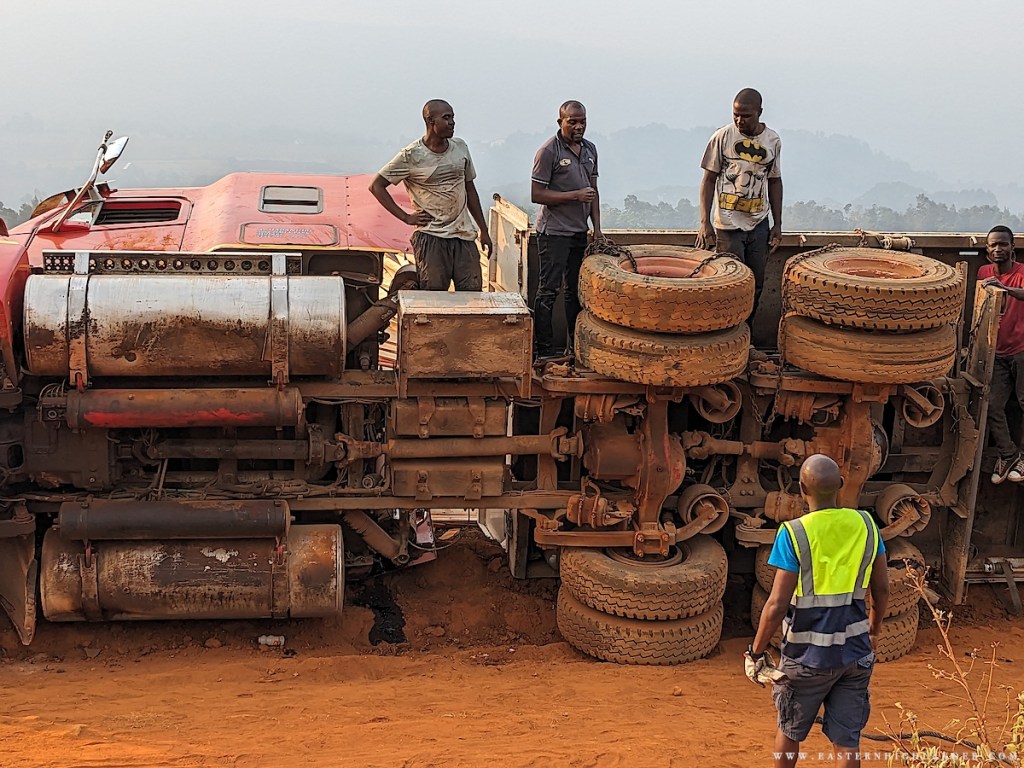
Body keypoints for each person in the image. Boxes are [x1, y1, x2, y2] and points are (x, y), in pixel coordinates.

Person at [747, 454, 889, 768]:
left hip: (806, 658)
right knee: (847, 742)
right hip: (854, 654)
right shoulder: (867, 525)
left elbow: (776, 604)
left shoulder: (794, 533)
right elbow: (881, 589)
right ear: (841, 484)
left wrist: (755, 652)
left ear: (801, 489)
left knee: (789, 730)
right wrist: (874, 632)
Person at [369, 100, 492, 291]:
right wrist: (406, 217)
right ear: (430, 121)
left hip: (463, 236)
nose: (452, 122)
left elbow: (470, 190)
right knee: (434, 296)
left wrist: (483, 230)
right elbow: (376, 186)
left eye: (453, 117)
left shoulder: (460, 147)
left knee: (472, 294)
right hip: (431, 237)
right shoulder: (411, 155)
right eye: (446, 118)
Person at [697, 88, 783, 313]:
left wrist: (778, 224)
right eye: (735, 115)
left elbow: (775, 181)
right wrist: (705, 222)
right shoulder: (722, 137)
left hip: (759, 224)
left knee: (756, 285)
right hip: (728, 225)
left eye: (746, 116)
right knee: (730, 285)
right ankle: (729, 330)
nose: (739, 120)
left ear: (759, 112)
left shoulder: (772, 141)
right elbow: (708, 180)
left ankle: (747, 332)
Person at [530, 100, 602, 358]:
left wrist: (597, 229)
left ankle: (575, 348)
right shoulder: (548, 151)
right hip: (553, 233)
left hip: (578, 233)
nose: (578, 126)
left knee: (575, 292)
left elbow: (593, 192)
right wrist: (574, 196)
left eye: (583, 121)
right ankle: (545, 351)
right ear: (560, 122)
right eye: (572, 122)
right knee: (548, 291)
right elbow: (537, 194)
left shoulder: (590, 149)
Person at [979, 225, 1024, 483]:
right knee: (992, 405)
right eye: (993, 245)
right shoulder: (984, 272)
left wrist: (1003, 289)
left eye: (1003, 244)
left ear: (1012, 248)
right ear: (987, 250)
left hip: (1021, 350)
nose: (998, 249)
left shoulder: (1021, 273)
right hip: (996, 352)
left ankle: (1023, 458)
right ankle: (1008, 454)